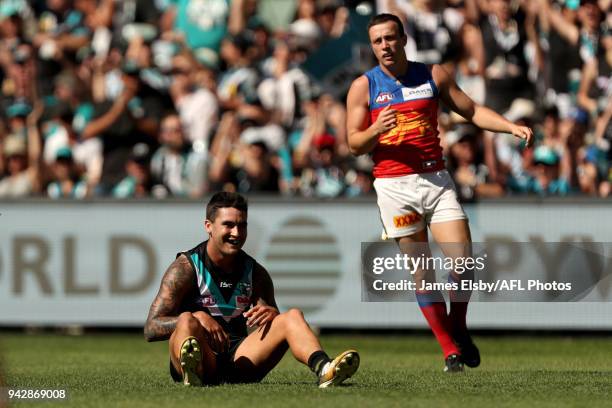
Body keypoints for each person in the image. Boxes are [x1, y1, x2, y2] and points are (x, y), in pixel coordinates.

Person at [346, 13, 533, 372]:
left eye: (389, 38)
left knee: (462, 262)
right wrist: (375, 131)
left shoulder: (432, 75)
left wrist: (509, 126)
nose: (384, 46)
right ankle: (450, 350)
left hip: (435, 180)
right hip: (394, 187)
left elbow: (472, 109)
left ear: (403, 39)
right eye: (377, 41)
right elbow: (354, 143)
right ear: (372, 46)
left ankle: (457, 326)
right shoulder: (363, 87)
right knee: (423, 271)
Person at [144, 192, 359, 387]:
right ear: (208, 226)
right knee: (187, 322)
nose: (236, 233)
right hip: (200, 352)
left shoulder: (256, 273)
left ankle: (325, 369)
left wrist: (273, 315)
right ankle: (194, 371)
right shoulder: (185, 268)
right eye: (228, 225)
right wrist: (197, 318)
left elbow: (269, 322)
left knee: (292, 316)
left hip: (239, 359)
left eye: (242, 225)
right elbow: (151, 328)